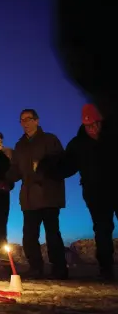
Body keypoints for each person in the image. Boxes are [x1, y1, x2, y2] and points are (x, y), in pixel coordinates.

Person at [41, 104, 116, 280]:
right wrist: (48, 168)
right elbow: (67, 167)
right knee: (102, 229)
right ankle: (106, 269)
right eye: (89, 126)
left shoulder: (113, 136)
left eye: (96, 124)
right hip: (95, 193)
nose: (93, 129)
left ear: (101, 122)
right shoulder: (78, 144)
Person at [5, 109, 69, 280]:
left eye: (28, 119)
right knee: (29, 234)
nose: (25, 123)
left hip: (48, 194)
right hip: (29, 197)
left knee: (52, 233)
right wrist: (6, 180)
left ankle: (59, 268)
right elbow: (16, 170)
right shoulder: (20, 145)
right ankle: (35, 267)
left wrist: (44, 166)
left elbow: (61, 161)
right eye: (22, 120)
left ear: (37, 121)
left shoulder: (50, 139)